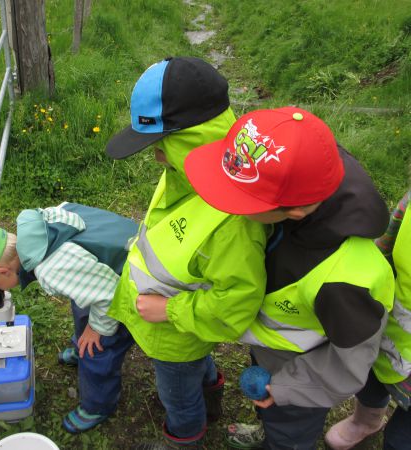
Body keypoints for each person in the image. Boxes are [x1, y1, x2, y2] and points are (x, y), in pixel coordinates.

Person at [183, 106, 396, 450]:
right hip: (271, 352)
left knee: (290, 434)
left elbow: (349, 363)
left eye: (240, 199)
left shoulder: (345, 281)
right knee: (271, 418)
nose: (226, 207)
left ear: (294, 211)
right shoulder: (302, 182)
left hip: (302, 378)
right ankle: (271, 431)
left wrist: (286, 389)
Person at [105, 56, 268, 447]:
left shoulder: (232, 221)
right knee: (198, 369)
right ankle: (212, 397)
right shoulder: (185, 173)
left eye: (163, 145)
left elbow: (237, 302)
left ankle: (185, 436)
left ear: (196, 140)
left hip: (174, 334)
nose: (157, 157)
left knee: (177, 397)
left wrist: (169, 311)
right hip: (183, 331)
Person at [0, 202, 138, 433]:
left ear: (1, 272)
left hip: (132, 286)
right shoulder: (40, 222)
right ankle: (82, 347)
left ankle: (98, 404)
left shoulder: (52, 269)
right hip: (113, 261)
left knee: (99, 348)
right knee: (83, 300)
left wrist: (97, 329)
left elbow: (110, 297)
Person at [325, 189, 411, 450]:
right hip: (390, 334)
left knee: (401, 439)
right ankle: (367, 421)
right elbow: (386, 244)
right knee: (371, 382)